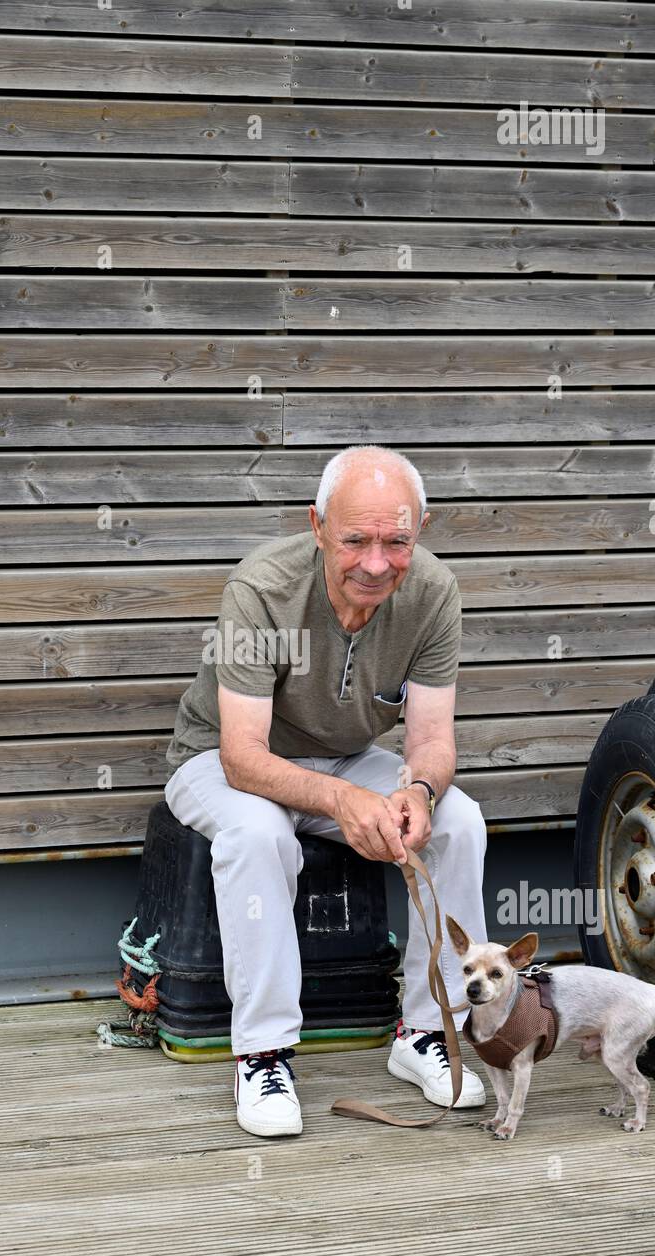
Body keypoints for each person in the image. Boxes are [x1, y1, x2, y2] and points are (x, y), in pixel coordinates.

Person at [163, 445, 489, 1137]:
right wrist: (343, 802)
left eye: (397, 541)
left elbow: (430, 737)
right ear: (317, 526)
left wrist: (422, 792)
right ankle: (264, 1054)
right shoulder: (260, 589)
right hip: (219, 763)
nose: (377, 563)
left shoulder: (434, 592)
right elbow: (243, 758)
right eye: (356, 540)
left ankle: (429, 1033)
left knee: (461, 822)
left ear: (420, 529)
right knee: (258, 832)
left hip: (344, 758)